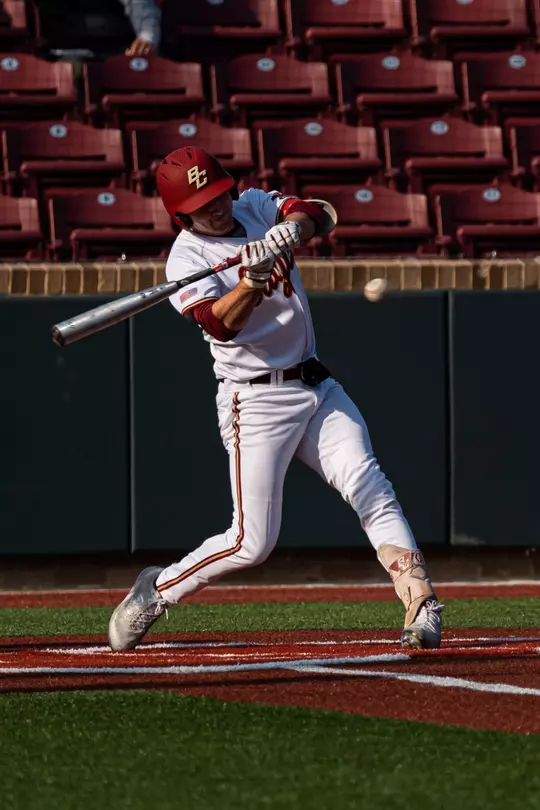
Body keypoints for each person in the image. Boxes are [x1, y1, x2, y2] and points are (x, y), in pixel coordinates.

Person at [108, 146, 444, 652]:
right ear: (181, 214)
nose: (216, 206)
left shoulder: (252, 206)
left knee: (369, 484)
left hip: (316, 385)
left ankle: (420, 601)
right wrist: (252, 280)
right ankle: (158, 589)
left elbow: (318, 214)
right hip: (255, 401)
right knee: (252, 542)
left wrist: (290, 230)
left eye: (218, 194)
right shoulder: (186, 258)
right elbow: (219, 324)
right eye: (201, 203)